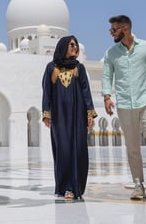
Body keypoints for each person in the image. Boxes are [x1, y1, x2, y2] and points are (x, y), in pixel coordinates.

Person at [101, 15, 146, 200]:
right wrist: (107, 97)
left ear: (125, 29)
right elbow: (107, 76)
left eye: (113, 30)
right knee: (132, 146)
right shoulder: (111, 53)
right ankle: (138, 184)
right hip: (124, 104)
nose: (111, 33)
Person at [42, 35, 97, 200]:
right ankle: (66, 186)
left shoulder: (78, 68)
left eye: (76, 46)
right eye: (72, 45)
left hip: (78, 116)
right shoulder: (51, 68)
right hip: (60, 117)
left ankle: (77, 186)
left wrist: (90, 113)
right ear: (63, 46)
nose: (75, 48)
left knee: (79, 150)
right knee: (63, 150)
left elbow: (86, 91)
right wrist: (46, 113)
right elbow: (47, 92)